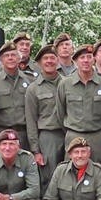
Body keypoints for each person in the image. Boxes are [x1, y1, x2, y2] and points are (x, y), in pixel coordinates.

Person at [56, 44, 101, 165]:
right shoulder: (65, 84)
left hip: (98, 137)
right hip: (74, 135)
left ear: (94, 59)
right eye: (82, 57)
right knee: (73, 174)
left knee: (100, 172)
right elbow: (60, 113)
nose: (86, 61)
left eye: (89, 57)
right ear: (75, 61)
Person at [25, 44, 65, 190]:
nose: (49, 61)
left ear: (58, 60)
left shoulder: (68, 83)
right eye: (45, 58)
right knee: (50, 177)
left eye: (52, 58)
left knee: (70, 174)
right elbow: (31, 121)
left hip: (69, 134)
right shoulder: (33, 89)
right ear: (40, 63)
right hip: (48, 137)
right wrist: (36, 150)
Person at [0, 41, 33, 151]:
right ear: (1, 60)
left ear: (19, 58)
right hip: (2, 134)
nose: (10, 58)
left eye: (13, 55)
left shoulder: (30, 80)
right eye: (6, 56)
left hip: (24, 134)